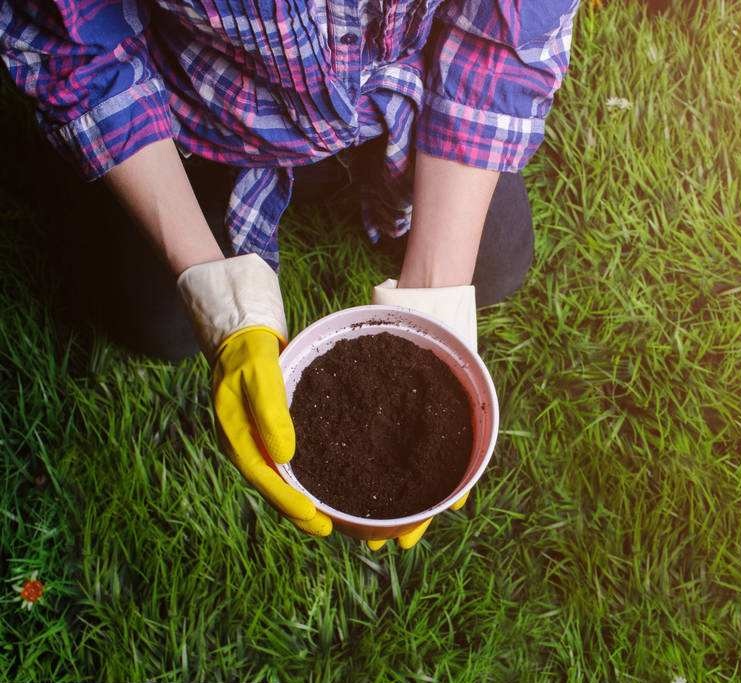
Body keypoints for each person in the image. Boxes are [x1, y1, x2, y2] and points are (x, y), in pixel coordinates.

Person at [1, 0, 579, 548]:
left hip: (404, 95)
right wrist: (216, 293)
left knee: (497, 263)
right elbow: (73, 46)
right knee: (155, 323)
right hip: (210, 117)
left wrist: (436, 294)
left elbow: (504, 37)